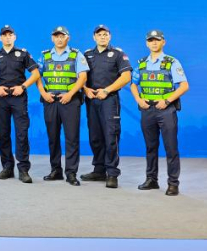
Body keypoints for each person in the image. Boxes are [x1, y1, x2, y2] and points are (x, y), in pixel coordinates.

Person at [130, 29, 189, 196]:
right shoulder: (141, 63)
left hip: (166, 111)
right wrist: (138, 100)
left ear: (163, 42)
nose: (154, 43)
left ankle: (173, 183)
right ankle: (151, 180)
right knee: (150, 147)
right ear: (146, 43)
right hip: (147, 109)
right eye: (150, 40)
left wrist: (167, 101)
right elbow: (133, 84)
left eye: (157, 40)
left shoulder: (171, 62)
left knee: (171, 148)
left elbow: (184, 86)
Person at [0, 25, 40, 183]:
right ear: (0, 38)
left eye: (10, 35)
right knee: (3, 134)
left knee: (21, 134)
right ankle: (7, 168)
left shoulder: (22, 54)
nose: (7, 37)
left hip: (18, 97)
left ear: (14, 37)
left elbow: (35, 73)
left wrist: (22, 87)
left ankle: (23, 169)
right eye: (4, 35)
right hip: (1, 98)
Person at [80, 25, 132, 189]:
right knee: (95, 137)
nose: (102, 37)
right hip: (91, 99)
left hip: (109, 100)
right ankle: (99, 170)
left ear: (109, 37)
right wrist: (86, 89)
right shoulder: (87, 54)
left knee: (111, 137)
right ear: (94, 37)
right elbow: (80, 77)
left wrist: (107, 90)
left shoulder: (118, 54)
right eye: (99, 34)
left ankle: (112, 173)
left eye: (105, 34)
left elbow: (126, 77)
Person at [36, 26, 88, 186]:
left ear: (68, 38)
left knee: (72, 138)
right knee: (53, 137)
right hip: (50, 100)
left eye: (62, 36)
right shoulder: (44, 55)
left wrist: (70, 94)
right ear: (52, 38)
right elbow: (36, 76)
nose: (59, 39)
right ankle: (56, 170)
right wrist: (43, 94)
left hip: (70, 101)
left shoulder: (76, 54)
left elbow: (83, 77)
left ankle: (71, 173)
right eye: (56, 36)